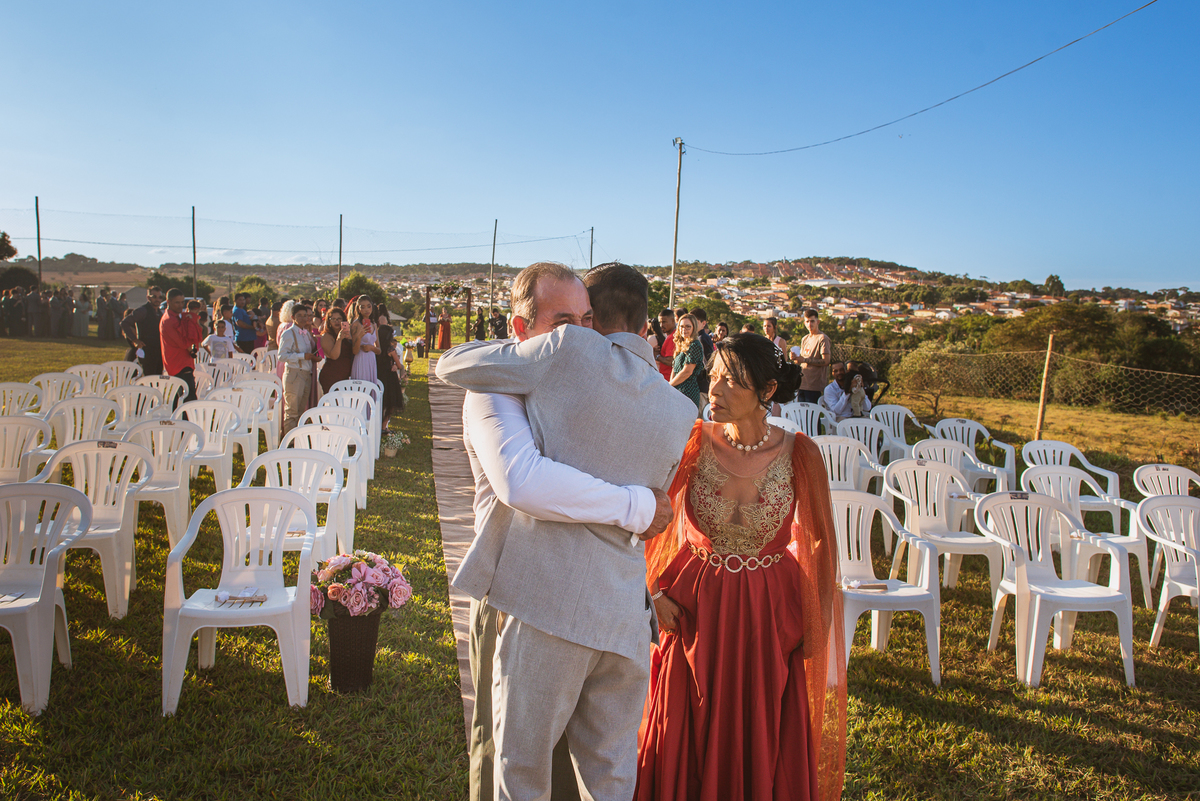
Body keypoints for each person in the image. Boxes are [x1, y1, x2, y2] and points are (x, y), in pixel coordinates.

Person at [437, 261, 696, 801]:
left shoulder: (571, 360)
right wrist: (635, 506)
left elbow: (454, 364)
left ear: (599, 318)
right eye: (564, 322)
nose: (578, 334)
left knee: (521, 772)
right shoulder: (678, 407)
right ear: (521, 327)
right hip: (609, 613)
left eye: (585, 319)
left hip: (543, 601)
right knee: (605, 780)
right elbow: (522, 480)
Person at [638, 333, 847, 801]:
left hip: (768, 615)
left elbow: (820, 544)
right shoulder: (693, 442)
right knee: (681, 724)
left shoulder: (800, 453)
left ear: (767, 390)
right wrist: (652, 593)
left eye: (731, 380)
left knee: (761, 725)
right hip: (693, 611)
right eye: (712, 376)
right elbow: (647, 518)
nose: (713, 390)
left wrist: (816, 622)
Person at [278, 304, 318, 435]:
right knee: (292, 411)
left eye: (305, 315)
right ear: (292, 317)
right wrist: (302, 356)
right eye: (299, 316)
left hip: (306, 373)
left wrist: (312, 357)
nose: (303, 318)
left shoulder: (306, 333)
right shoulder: (288, 333)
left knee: (301, 410)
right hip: (294, 373)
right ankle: (289, 441)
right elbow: (281, 356)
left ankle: (298, 439)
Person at [160, 289, 203, 402]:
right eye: (177, 302)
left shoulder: (178, 317)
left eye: (182, 302)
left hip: (183, 362)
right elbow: (182, 343)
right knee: (187, 398)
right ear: (168, 302)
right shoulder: (169, 320)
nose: (180, 305)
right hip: (178, 364)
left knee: (184, 396)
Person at [121, 286, 166, 377]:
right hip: (147, 350)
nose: (157, 299)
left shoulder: (159, 312)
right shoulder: (142, 311)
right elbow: (124, 323)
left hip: (158, 350)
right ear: (148, 297)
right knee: (149, 377)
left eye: (160, 297)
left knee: (158, 377)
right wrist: (134, 340)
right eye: (154, 296)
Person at [793, 308, 832, 405]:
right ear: (804, 323)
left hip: (814, 386)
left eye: (812, 321)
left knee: (812, 413)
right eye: (807, 321)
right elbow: (802, 360)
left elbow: (826, 361)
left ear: (818, 322)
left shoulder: (823, 338)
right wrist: (795, 358)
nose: (810, 324)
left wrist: (805, 360)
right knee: (801, 412)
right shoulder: (805, 339)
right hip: (802, 384)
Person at [375, 308, 405, 429]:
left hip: (378, 376)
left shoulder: (376, 350)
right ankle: (384, 424)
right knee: (391, 402)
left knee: (381, 402)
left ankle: (378, 423)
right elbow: (399, 365)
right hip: (389, 378)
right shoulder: (390, 350)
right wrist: (397, 365)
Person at [669, 313, 705, 411]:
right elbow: (675, 369)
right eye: (681, 326)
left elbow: (687, 372)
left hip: (688, 392)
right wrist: (670, 387)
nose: (684, 329)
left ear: (694, 328)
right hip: (676, 390)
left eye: (688, 326)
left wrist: (669, 385)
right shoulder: (681, 344)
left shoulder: (694, 345)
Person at [319, 307, 355, 393]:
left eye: (339, 319)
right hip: (331, 375)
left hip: (345, 376)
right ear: (329, 321)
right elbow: (334, 356)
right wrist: (339, 339)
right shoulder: (326, 336)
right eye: (333, 319)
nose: (336, 322)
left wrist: (351, 339)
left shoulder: (348, 334)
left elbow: (355, 351)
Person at [350, 296, 380, 383]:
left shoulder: (374, 324)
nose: (366, 309)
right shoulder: (356, 324)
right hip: (360, 360)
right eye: (363, 307)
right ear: (358, 309)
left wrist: (371, 348)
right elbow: (354, 351)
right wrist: (359, 336)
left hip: (371, 360)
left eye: (369, 306)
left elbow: (379, 350)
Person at [652, 308, 676, 380]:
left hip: (668, 378)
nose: (661, 325)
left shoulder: (672, 337)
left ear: (673, 321)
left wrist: (657, 356)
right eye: (660, 322)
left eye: (664, 322)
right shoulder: (670, 336)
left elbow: (670, 361)